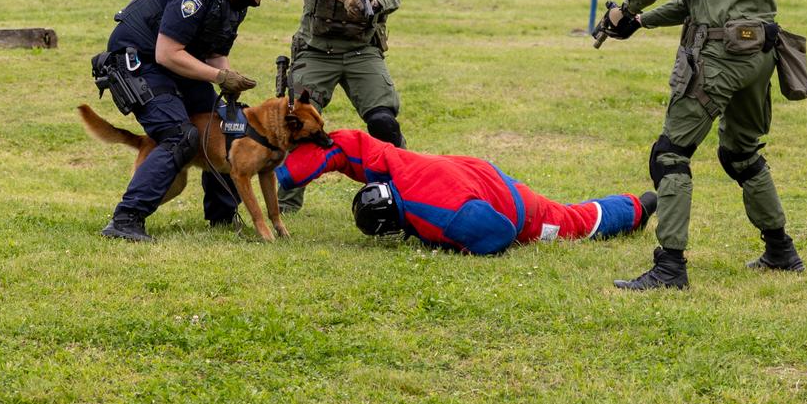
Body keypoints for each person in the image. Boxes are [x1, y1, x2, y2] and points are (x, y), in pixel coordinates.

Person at [596, 0, 804, 289]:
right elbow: (698, 1)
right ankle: (781, 251)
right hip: (761, 50)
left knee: (670, 155)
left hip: (719, 54)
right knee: (741, 155)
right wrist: (642, 23)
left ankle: (669, 267)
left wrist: (625, 9)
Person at [94, 0, 288, 242]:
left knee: (227, 128)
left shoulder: (234, 3)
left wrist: (228, 81)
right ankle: (126, 219)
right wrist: (220, 76)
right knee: (180, 136)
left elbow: (215, 54)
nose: (259, 1)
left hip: (176, 62)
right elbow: (167, 53)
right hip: (140, 62)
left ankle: (222, 216)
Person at [277, 128, 656, 254]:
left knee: (573, 220)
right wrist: (283, 174)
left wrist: (434, 240)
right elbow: (342, 145)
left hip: (515, 207)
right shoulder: (393, 165)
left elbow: (500, 234)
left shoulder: (438, 216)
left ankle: (636, 208)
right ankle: (636, 205)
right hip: (476, 174)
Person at [277, 0, 403, 214]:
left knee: (383, 122)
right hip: (317, 49)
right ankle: (286, 203)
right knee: (297, 121)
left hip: (362, 50)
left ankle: (405, 182)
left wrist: (373, 3)